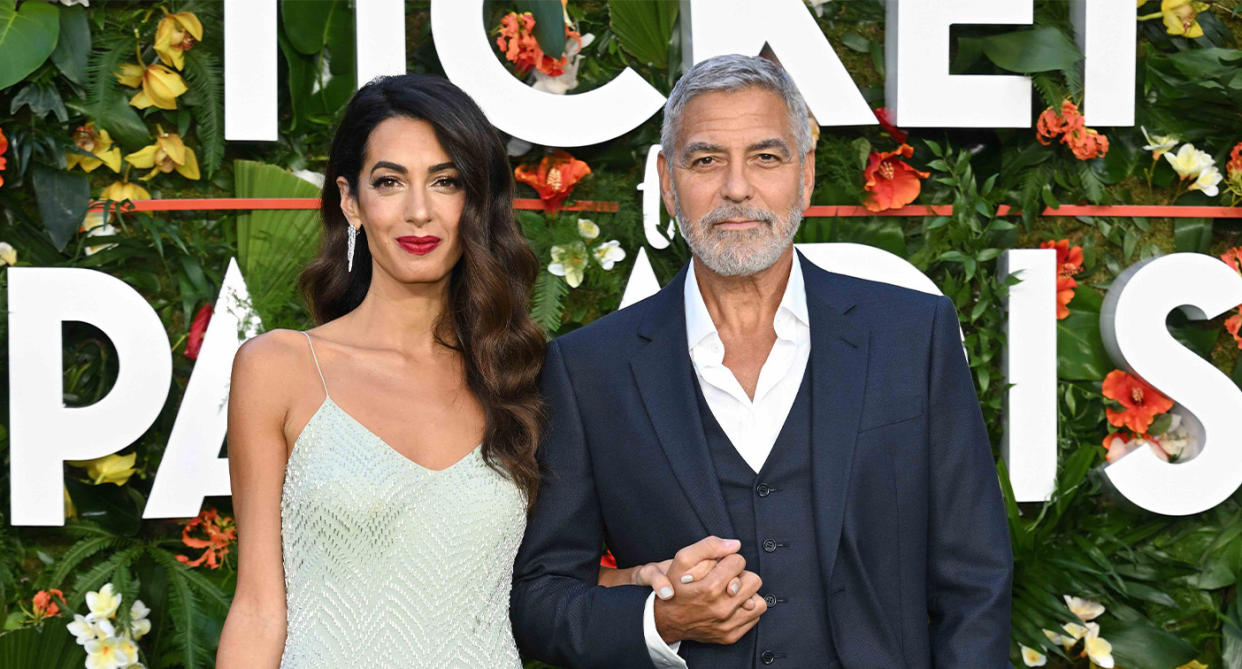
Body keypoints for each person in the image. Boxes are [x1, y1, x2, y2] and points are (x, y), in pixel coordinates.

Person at [511, 54, 1013, 668]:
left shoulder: (912, 336)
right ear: (669, 182)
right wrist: (658, 618)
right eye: (706, 160)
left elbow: (974, 580)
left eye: (766, 157)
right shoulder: (589, 368)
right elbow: (541, 600)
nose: (737, 187)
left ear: (804, 175)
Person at [215, 74, 548, 667]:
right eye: (390, 181)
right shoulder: (281, 369)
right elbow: (259, 608)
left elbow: (550, 584)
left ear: (475, 201)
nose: (418, 211)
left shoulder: (520, 376)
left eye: (445, 182)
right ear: (351, 201)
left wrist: (650, 584)